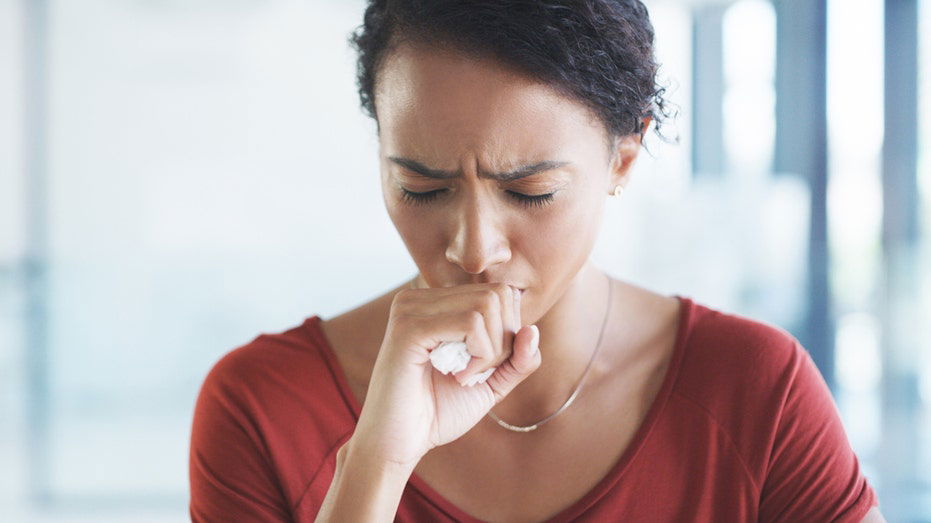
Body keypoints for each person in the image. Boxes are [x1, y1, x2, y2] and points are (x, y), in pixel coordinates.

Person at [189, 1, 885, 521]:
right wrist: (374, 464)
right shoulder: (263, 407)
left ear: (622, 158)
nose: (472, 248)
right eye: (421, 188)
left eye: (531, 192)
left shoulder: (756, 395)